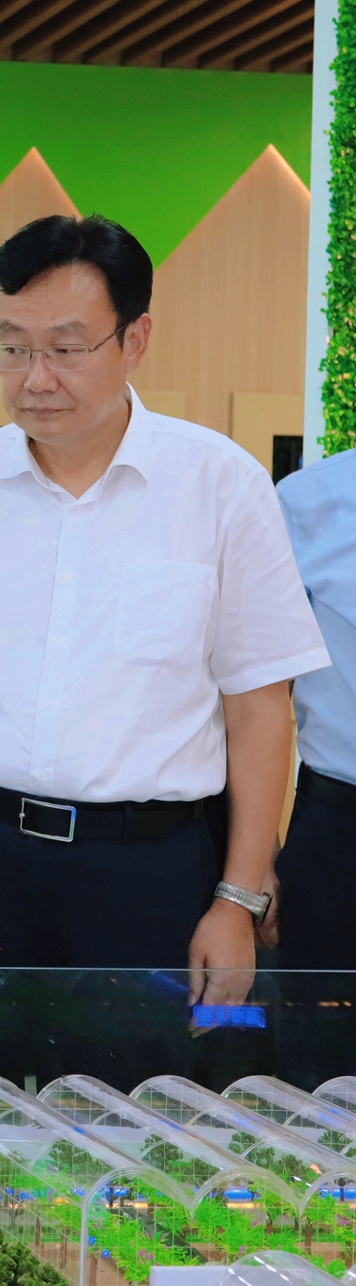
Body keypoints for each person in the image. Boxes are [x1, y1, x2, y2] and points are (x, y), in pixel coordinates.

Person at [0, 215, 326, 1112]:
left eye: (66, 348)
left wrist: (236, 901)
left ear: (135, 339)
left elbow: (261, 708)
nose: (36, 378)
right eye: (11, 347)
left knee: (135, 1133)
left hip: (143, 875)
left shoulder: (220, 487)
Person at [274, 449, 356, 1086]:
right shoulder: (307, 502)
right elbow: (251, 695)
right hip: (340, 836)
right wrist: (248, 866)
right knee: (319, 1075)